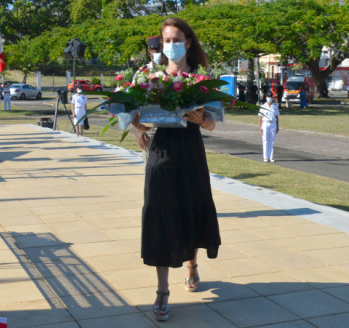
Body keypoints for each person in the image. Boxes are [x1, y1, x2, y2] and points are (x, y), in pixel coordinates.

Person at [131, 17, 221, 322]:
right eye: (166, 40)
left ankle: (192, 264)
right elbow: (132, 112)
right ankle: (162, 290)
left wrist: (200, 119)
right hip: (160, 151)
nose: (170, 45)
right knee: (159, 210)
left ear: (188, 42)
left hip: (190, 151)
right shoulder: (147, 77)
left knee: (190, 208)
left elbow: (212, 123)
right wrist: (135, 125)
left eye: (176, 39)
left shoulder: (202, 79)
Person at [133, 35, 162, 164]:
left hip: (172, 127)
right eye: (156, 51)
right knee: (151, 170)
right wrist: (138, 131)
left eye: (162, 50)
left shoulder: (174, 71)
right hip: (149, 129)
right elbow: (133, 103)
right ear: (150, 53)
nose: (160, 54)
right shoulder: (142, 73)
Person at [259, 95, 280, 162]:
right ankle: (265, 157)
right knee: (265, 141)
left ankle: (271, 157)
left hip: (273, 123)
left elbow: (276, 116)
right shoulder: (263, 106)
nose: (269, 98)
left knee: (272, 141)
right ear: (266, 98)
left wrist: (277, 126)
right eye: (268, 97)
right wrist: (260, 126)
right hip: (265, 123)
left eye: (270, 97)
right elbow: (260, 117)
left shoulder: (275, 106)